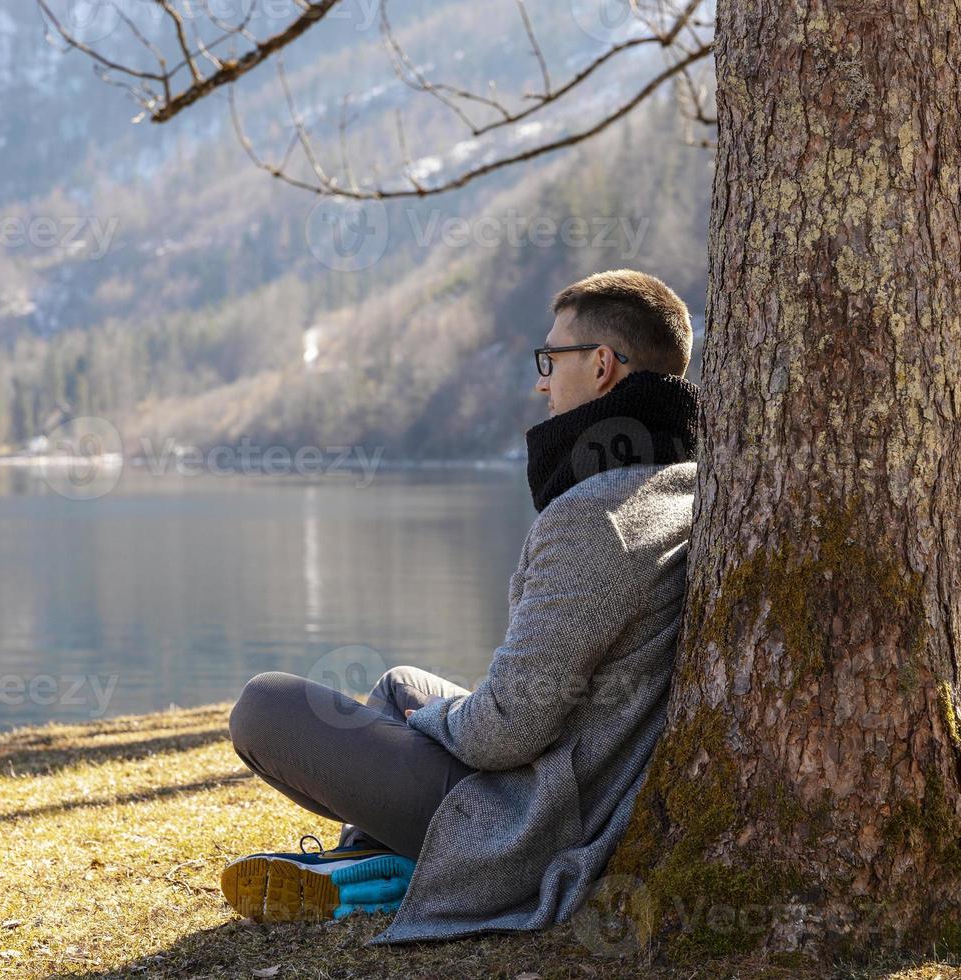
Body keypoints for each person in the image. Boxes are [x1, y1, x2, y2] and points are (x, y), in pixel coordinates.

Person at [223, 269, 701, 944]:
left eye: (551, 359)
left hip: (530, 817)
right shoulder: (680, 482)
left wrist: (442, 720)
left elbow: (505, 729)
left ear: (600, 366)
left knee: (264, 707)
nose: (541, 381)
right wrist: (440, 716)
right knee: (398, 685)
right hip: (570, 772)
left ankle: (401, 866)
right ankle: (379, 860)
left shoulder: (597, 519)